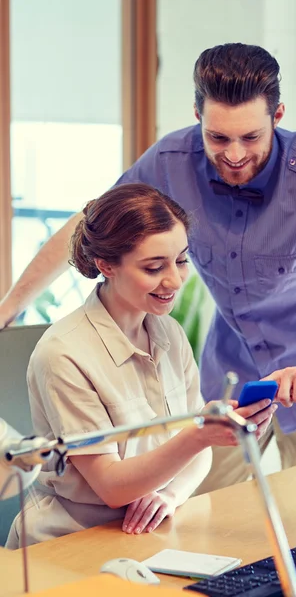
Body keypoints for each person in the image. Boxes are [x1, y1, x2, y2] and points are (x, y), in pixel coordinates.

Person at [0, 43, 296, 490]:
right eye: (218, 138)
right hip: (232, 372)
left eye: (250, 138)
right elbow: (89, 225)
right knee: (201, 510)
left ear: (277, 116)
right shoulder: (170, 161)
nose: (234, 155)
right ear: (197, 116)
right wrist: (9, 308)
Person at [5, 182, 277, 548]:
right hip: (71, 539)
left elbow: (197, 455)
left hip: (152, 531)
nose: (174, 280)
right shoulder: (62, 353)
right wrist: (198, 435)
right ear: (106, 265)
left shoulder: (169, 332)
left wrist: (171, 495)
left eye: (181, 260)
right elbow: (113, 486)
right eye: (153, 268)